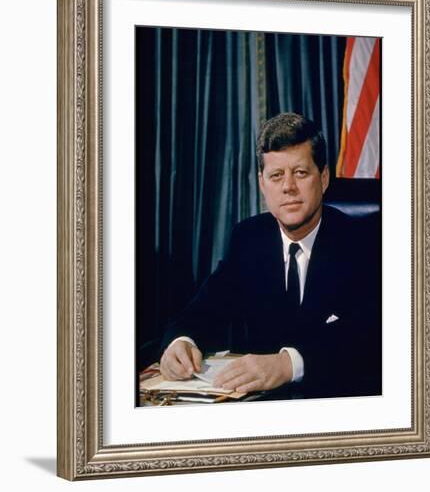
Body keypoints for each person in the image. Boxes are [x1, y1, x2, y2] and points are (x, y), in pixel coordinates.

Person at [159, 112, 381, 399]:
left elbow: (370, 338)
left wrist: (288, 364)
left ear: (323, 179)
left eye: (300, 173)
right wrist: (180, 341)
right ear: (263, 185)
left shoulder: (363, 242)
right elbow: (203, 309)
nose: (288, 186)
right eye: (276, 176)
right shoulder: (248, 238)